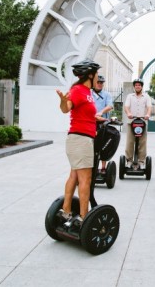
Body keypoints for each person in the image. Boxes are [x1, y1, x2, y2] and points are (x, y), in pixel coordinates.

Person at [56, 59, 101, 226]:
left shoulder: (88, 92)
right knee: (85, 180)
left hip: (81, 138)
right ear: (90, 75)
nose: (98, 77)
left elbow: (84, 113)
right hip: (80, 140)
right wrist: (62, 100)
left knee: (74, 176)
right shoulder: (78, 90)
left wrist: (96, 118)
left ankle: (66, 211)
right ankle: (84, 217)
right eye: (96, 74)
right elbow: (66, 108)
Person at [123, 78, 152, 169]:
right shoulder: (130, 96)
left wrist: (147, 114)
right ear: (134, 86)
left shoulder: (146, 96)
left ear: (142, 87)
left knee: (142, 143)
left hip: (143, 122)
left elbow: (149, 107)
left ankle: (141, 161)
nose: (137, 86)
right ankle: (129, 160)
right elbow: (126, 106)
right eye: (136, 85)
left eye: (139, 85)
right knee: (130, 142)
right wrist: (128, 113)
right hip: (131, 122)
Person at [92, 74, 114, 173]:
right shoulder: (89, 93)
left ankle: (103, 167)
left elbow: (110, 106)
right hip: (91, 122)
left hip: (103, 124)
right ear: (94, 83)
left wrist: (101, 112)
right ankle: (92, 167)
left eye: (101, 83)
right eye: (98, 82)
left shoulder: (107, 94)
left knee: (103, 145)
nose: (100, 84)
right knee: (92, 146)